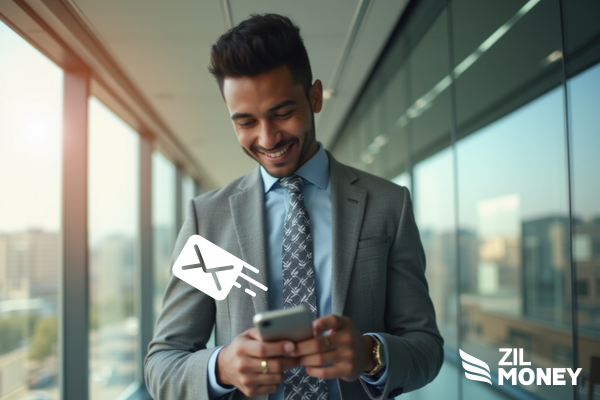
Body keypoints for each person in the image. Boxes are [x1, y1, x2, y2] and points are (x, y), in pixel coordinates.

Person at [145, 13, 443, 400]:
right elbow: (163, 362)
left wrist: (371, 355)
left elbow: (426, 348)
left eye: (283, 113)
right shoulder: (210, 220)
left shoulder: (388, 204)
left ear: (315, 96)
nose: (267, 138)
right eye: (246, 122)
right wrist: (222, 367)